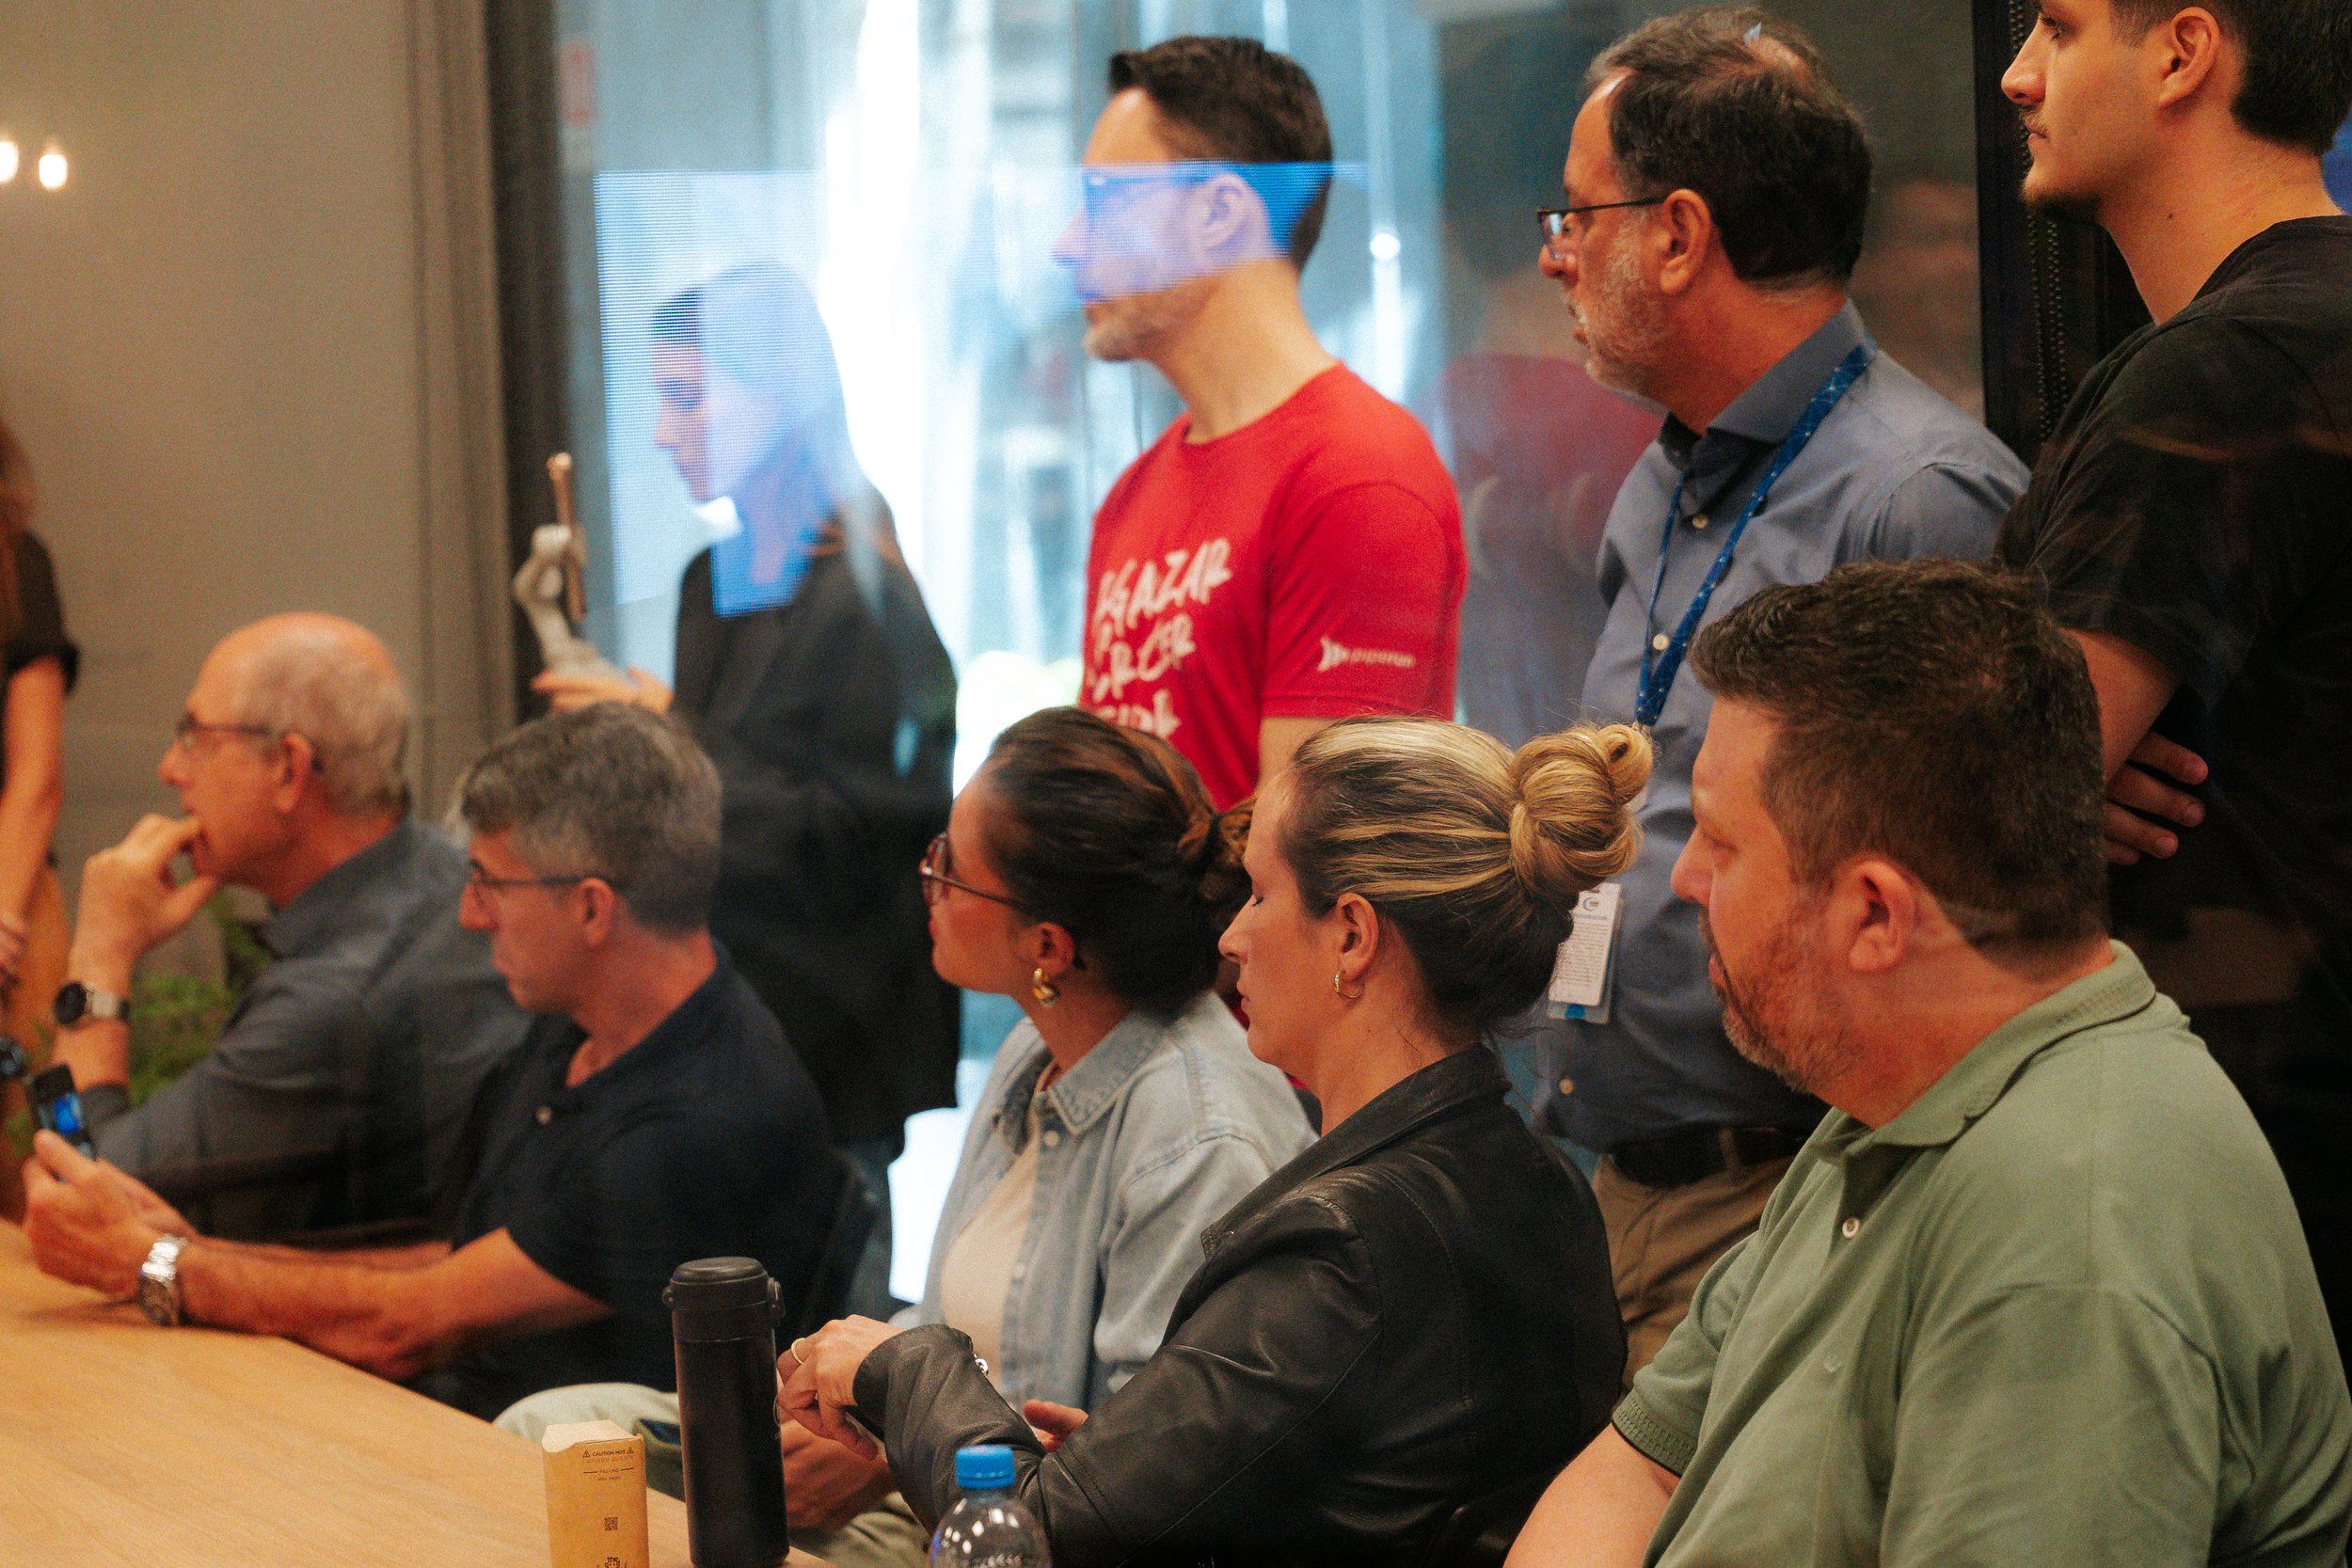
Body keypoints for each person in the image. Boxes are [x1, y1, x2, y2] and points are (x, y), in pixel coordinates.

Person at [1508, 560, 2352, 1566]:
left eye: (1721, 844)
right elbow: (1639, 1468)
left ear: (1874, 913)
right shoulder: (1901, 1093)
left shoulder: (2070, 1241)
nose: (1685, 877)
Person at [780, 715, 1639, 1568]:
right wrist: (1137, 1469)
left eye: (1260, 895)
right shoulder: (1548, 1180)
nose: (1231, 937)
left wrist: (902, 1366)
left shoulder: (1341, 1248)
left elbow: (1031, 1539)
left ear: (1351, 935)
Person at [499, 707, 1313, 1568]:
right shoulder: (1035, 1047)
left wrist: (893, 1453)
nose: (924, 879)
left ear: (1047, 945)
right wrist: (841, 1407)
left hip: (1006, 1531)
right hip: (926, 1482)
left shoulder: (1196, 1139)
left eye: (950, 868)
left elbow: (1132, 1475)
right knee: (547, 1431)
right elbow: (945, 1326)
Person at [1528, 5, 2029, 1379]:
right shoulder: (1659, 482)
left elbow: (1968, 941)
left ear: (1679, 234)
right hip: (1610, 1185)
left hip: (1793, 1198)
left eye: (1577, 215)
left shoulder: (1915, 499)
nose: (1556, 254)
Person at [23, 704, 841, 1421]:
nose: (469, 915)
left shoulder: (703, 1119)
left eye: (489, 884)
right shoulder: (583, 1024)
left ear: (592, 908)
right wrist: (194, 1250)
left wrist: (155, 1263)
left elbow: (409, 1323)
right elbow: (465, 1261)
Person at [1993, 0, 2352, 1344]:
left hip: (2234, 1192)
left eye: (2059, 26)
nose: (2017, 75)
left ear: (2184, 53)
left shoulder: (2216, 372)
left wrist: (2037, 780)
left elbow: (1977, 799)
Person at [536, 261, 959, 1309]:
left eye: (687, 397)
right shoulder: (708, 581)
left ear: (778, 395)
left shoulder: (864, 597)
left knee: (824, 1370)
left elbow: (866, 835)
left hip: (828, 1048)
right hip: (718, 1031)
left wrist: (667, 741)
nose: (663, 431)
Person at [1058, 36, 1464, 809]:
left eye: (1105, 201)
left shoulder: (1358, 476)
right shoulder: (1134, 493)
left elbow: (1312, 852)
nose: (1070, 242)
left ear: (1219, 213)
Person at [43, 614, 526, 1240]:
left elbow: (75, 1188)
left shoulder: (333, 997)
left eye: (195, 738)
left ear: (289, 771)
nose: (170, 767)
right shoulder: (452, 878)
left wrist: (100, 953)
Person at [0, 416, 74, 1223]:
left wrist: (1, 918)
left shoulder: (17, 558)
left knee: (37, 1163)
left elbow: (36, 774)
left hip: (12, 891)